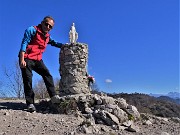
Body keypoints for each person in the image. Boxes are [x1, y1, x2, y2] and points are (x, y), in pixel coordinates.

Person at [19, 16, 62, 112]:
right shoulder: (32, 30)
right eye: (46, 24)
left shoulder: (47, 37)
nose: (47, 27)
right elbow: (24, 43)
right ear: (42, 23)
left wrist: (64, 46)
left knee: (47, 74)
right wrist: (22, 59)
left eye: (50, 26)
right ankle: (30, 103)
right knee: (28, 79)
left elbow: (54, 43)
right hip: (26, 58)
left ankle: (53, 96)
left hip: (37, 60)